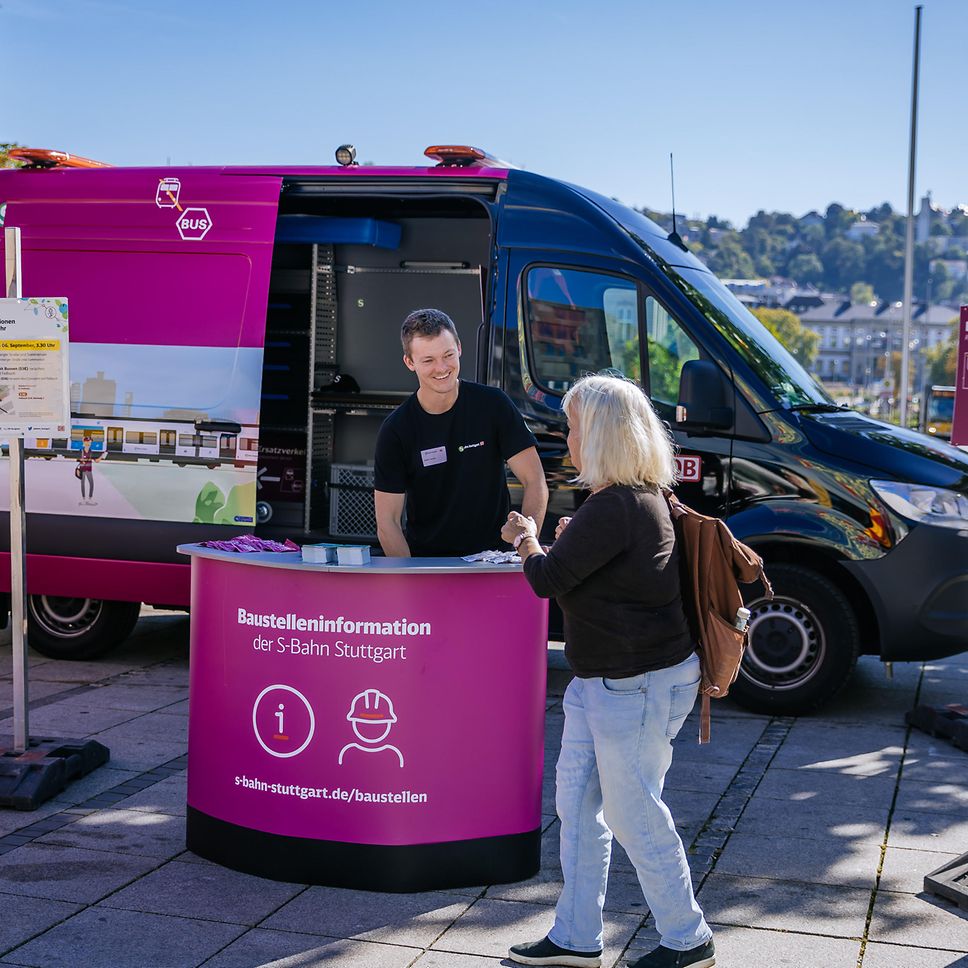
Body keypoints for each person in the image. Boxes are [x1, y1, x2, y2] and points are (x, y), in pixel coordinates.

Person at [503, 374, 715, 968]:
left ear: (599, 434)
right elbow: (599, 579)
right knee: (578, 807)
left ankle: (688, 939)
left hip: (633, 685)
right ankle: (574, 938)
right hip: (610, 681)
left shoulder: (615, 504)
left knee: (632, 813)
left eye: (572, 428)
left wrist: (526, 538)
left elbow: (547, 580)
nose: (565, 439)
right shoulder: (635, 498)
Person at [374, 308, 548, 557]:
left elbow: (535, 481)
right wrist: (411, 580)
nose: (441, 367)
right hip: (429, 565)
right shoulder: (396, 430)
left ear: (459, 348)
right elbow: (387, 523)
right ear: (409, 363)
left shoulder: (493, 405)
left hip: (494, 560)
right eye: (428, 360)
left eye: (448, 355)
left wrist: (523, 550)